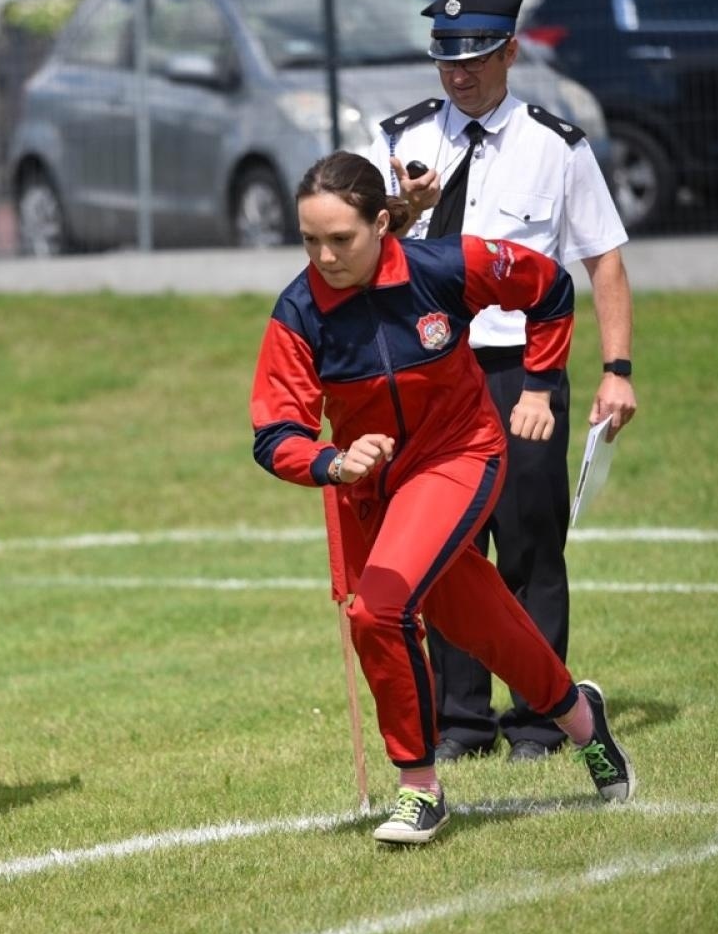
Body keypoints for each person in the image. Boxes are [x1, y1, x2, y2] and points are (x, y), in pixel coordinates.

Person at [250, 151, 633, 844]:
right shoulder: (298, 312)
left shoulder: (444, 267)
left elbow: (549, 287)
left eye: (340, 239)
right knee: (483, 621)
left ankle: (420, 788)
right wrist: (332, 461)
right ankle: (583, 720)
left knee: (379, 612)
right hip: (374, 494)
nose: (325, 257)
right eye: (309, 241)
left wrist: (540, 385)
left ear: (380, 225)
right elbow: (274, 433)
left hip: (461, 455)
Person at [367, 0, 637, 765]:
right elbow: (360, 248)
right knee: (444, 549)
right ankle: (461, 721)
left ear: (511, 53)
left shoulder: (556, 146)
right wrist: (405, 209)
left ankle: (539, 719)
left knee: (529, 545)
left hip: (523, 369)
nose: (460, 76)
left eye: (477, 60)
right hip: (429, 372)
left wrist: (616, 371)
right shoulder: (399, 139)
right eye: (446, 62)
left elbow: (603, 261)